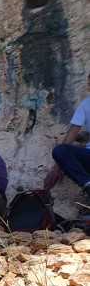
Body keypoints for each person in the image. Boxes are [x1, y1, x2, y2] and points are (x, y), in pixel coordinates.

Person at [45, 72, 90, 200]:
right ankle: (87, 184)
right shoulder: (86, 104)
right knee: (60, 150)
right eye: (89, 85)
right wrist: (58, 166)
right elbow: (72, 133)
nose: (88, 88)